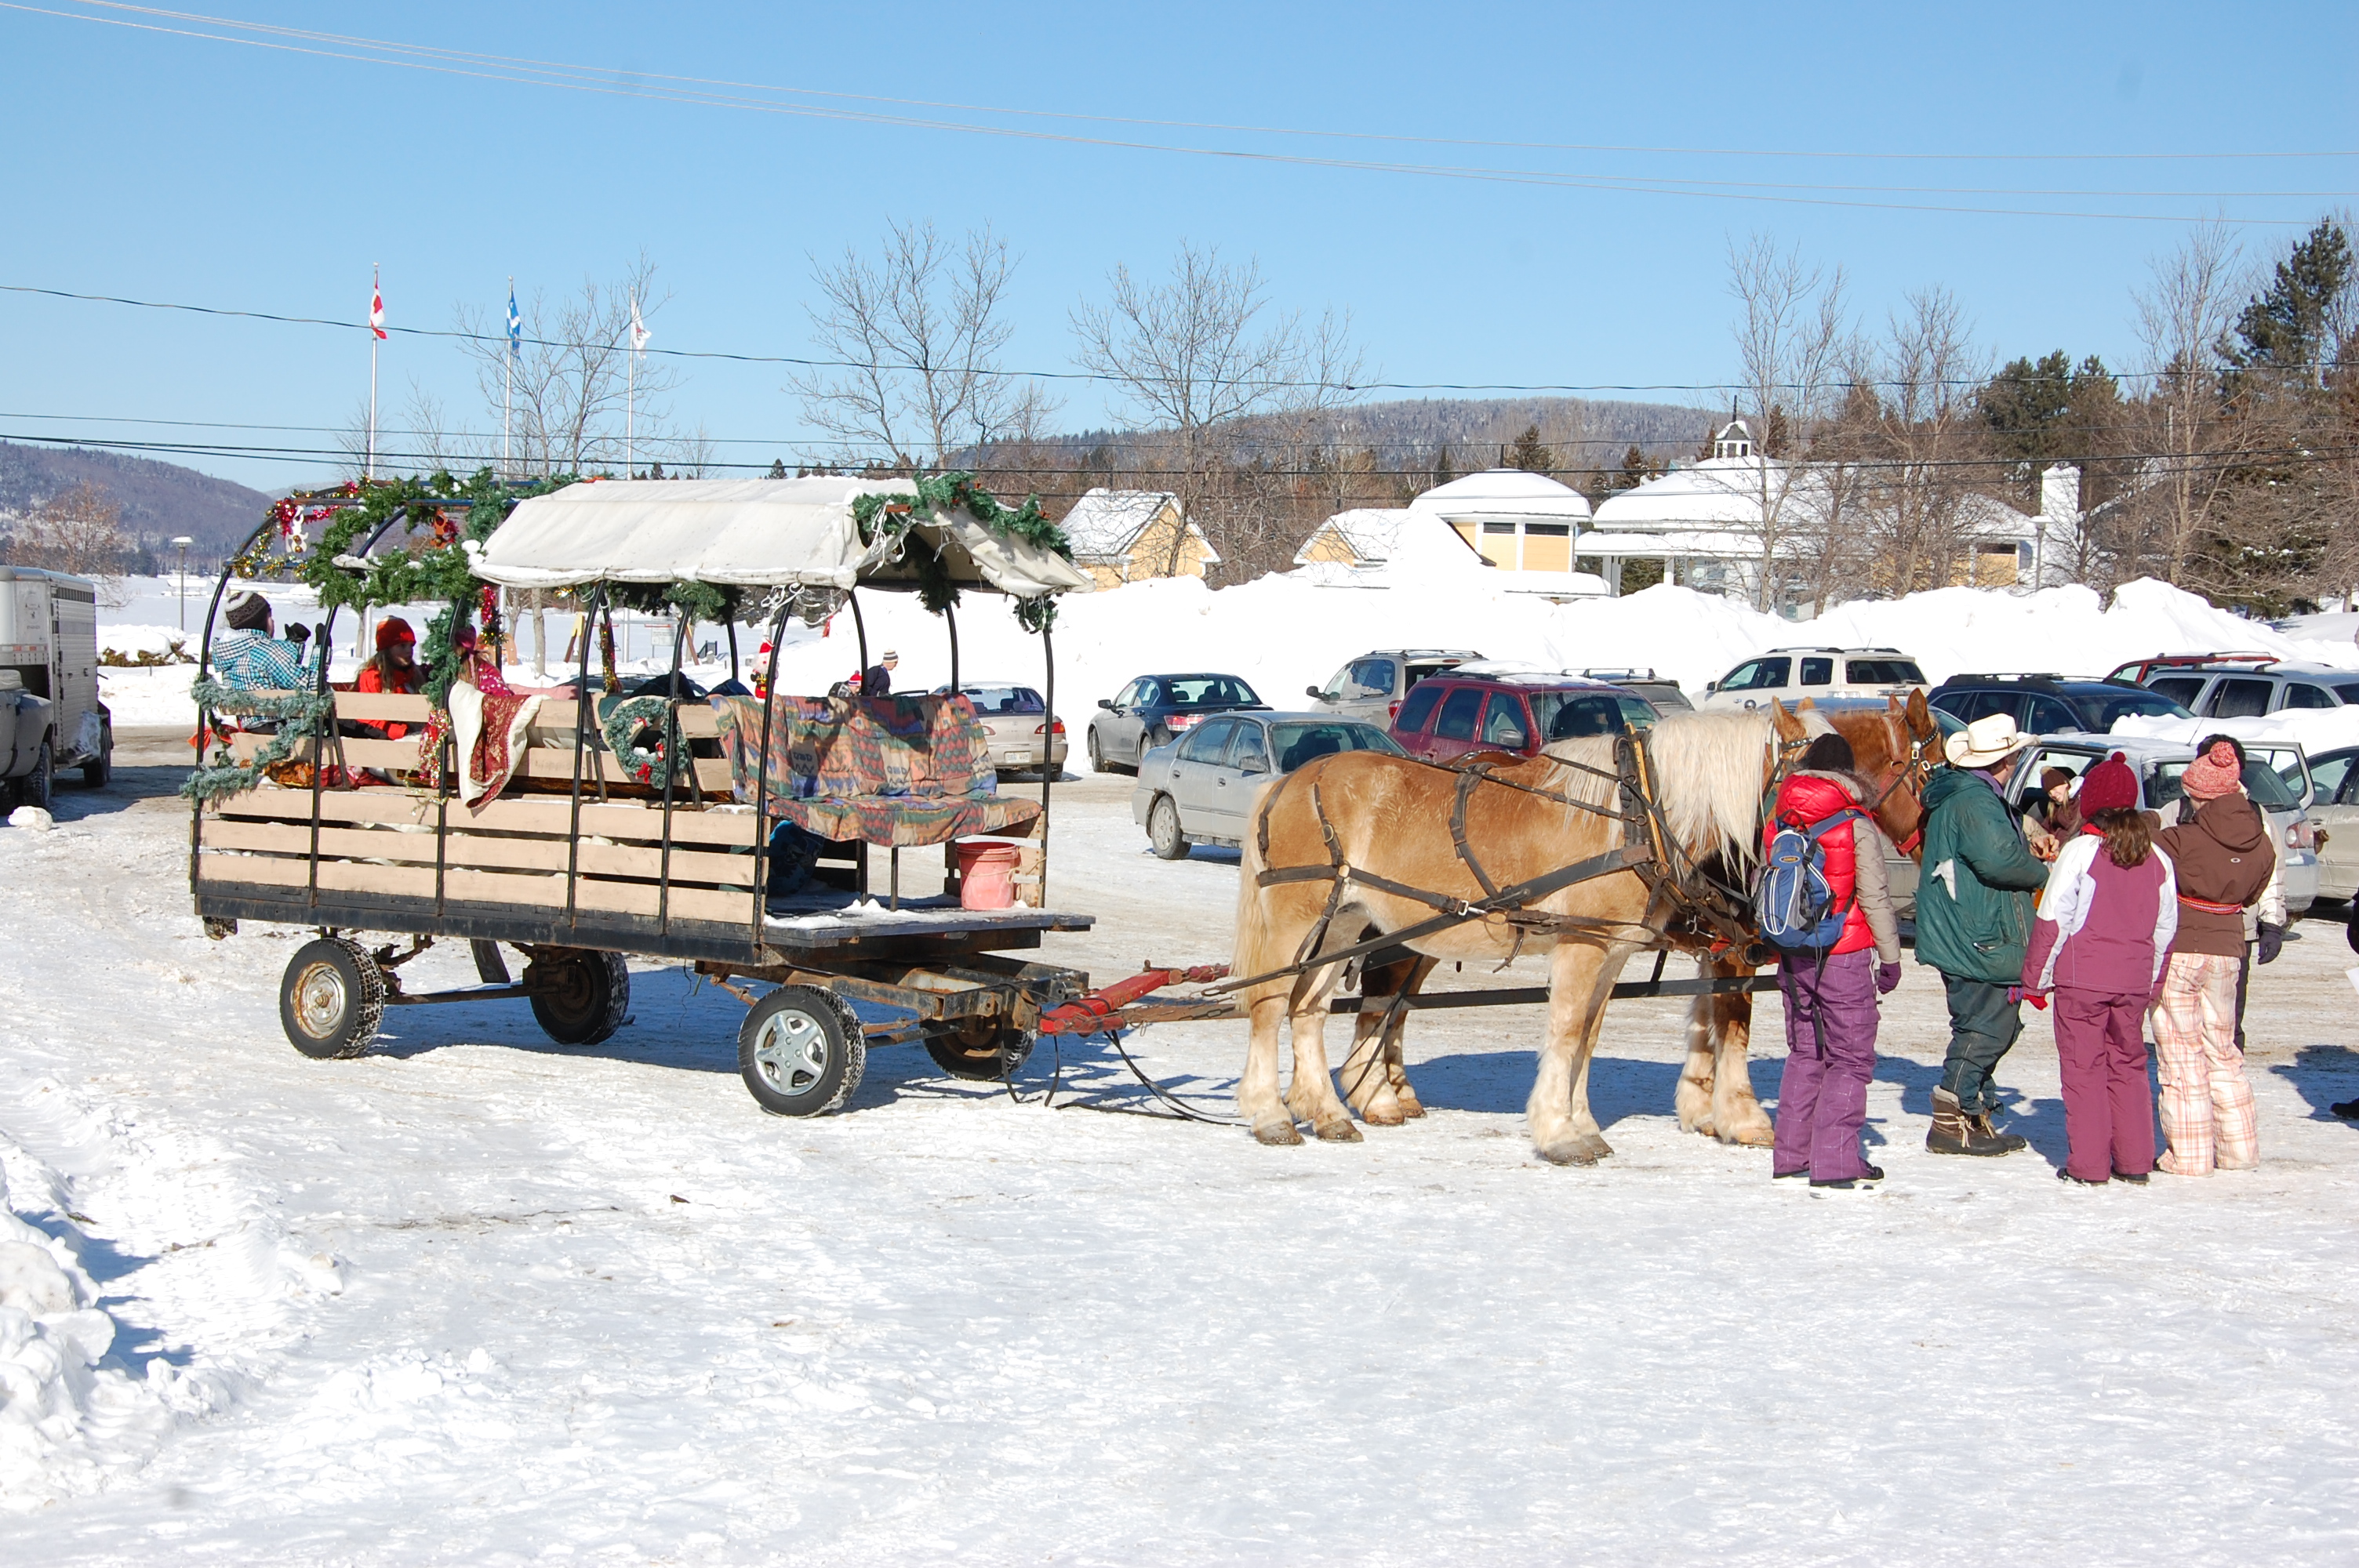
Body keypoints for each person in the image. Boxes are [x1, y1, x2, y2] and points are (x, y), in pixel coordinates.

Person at [2020, 752, 2175, 1186]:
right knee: (2128, 1066)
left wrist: (2035, 980)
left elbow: (2053, 920)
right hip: (2132, 980)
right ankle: (2135, 1159)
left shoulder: (2082, 851)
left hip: (2081, 979)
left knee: (2083, 1068)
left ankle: (2089, 1164)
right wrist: (2153, 981)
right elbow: (2165, 929)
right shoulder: (2159, 859)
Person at [1765, 732, 1903, 1189]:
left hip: (1794, 955)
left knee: (1806, 1052)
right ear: (1846, 774)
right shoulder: (1855, 822)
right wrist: (1891, 957)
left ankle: (1790, 1153)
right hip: (1844, 955)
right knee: (1851, 1059)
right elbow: (1876, 896)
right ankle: (1836, 1159)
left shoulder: (1780, 818)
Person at [1914, 713, 2052, 1156]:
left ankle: (1973, 1114)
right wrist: (2042, 871)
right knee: (1988, 1028)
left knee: (1986, 1024)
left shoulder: (1967, 796)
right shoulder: (1975, 801)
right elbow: (1999, 861)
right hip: (1979, 933)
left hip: (1969, 929)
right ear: (2004, 760)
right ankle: (1951, 1121)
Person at [2153, 738, 2274, 1175]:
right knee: (2223, 1051)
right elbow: (2257, 892)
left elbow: (2147, 857)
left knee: (2181, 1052)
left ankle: (2190, 1155)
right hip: (2230, 948)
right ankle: (2240, 1150)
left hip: (2184, 946)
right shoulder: (2262, 841)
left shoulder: (2181, 840)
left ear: (2201, 795)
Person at [353, 616, 420, 741]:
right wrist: (401, 732)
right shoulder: (373, 677)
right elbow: (367, 718)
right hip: (384, 741)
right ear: (387, 649)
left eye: (411, 646)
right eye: (402, 646)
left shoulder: (414, 676)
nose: (409, 651)